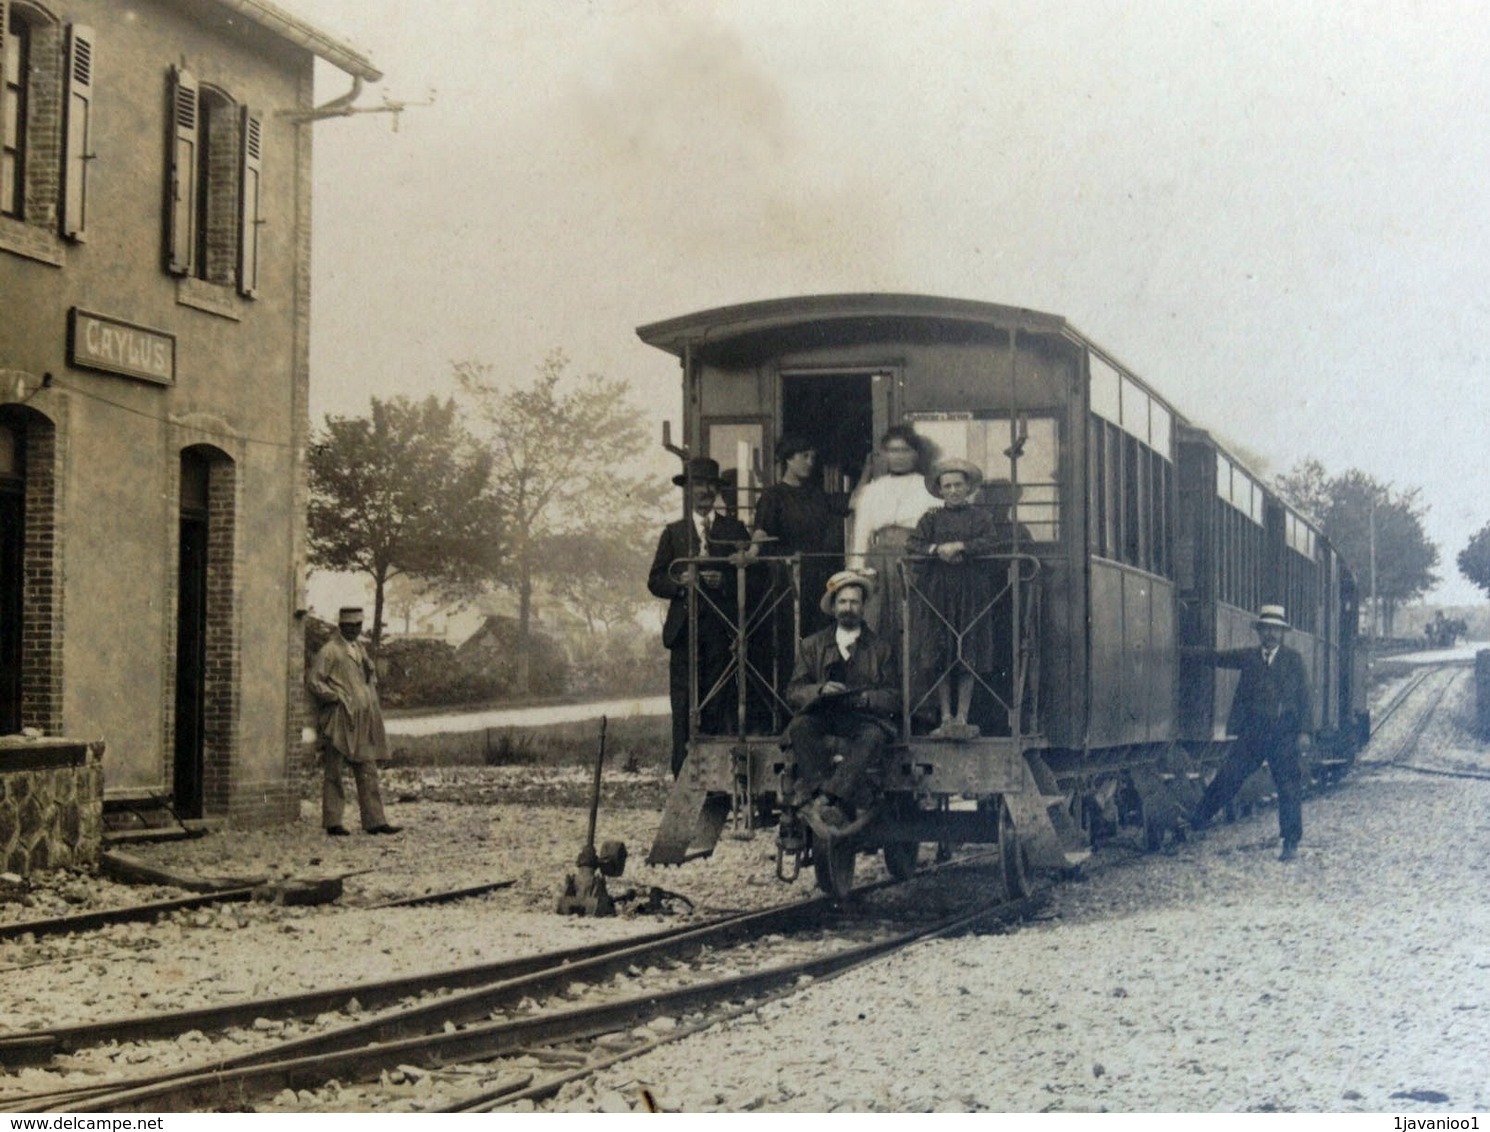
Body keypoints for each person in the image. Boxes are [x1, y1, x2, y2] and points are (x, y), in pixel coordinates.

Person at [648, 457, 755, 776]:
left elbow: (753, 578)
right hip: (684, 630)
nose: (704, 492)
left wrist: (727, 580)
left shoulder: (734, 530)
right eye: (697, 485)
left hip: (721, 629)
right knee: (683, 701)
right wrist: (682, 584)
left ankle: (715, 774)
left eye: (710, 485)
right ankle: (683, 774)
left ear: (717, 491)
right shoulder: (674, 532)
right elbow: (655, 579)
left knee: (718, 696)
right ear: (688, 491)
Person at [1185, 604, 1313, 861]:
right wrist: (1184, 653)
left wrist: (1304, 732)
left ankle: (1290, 842)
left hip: (1283, 734)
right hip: (1253, 732)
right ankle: (1198, 819)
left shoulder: (1293, 660)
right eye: (1266, 629)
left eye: (1276, 630)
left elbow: (1305, 699)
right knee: (1229, 776)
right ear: (1259, 632)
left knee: (1288, 786)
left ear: (1282, 633)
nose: (1271, 635)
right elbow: (1217, 658)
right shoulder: (1249, 657)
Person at [784, 570, 900, 832]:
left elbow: (894, 697)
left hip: (862, 718)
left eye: (854, 602)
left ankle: (825, 800)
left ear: (863, 607)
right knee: (800, 727)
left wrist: (866, 698)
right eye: (843, 602)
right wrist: (820, 690)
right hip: (824, 715)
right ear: (834, 607)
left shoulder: (881, 648)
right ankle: (827, 795)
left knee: (873, 736)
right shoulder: (812, 646)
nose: (849, 608)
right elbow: (793, 691)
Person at [908, 458, 1000, 738]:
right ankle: (945, 716)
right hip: (939, 593)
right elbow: (913, 544)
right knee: (940, 651)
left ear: (968, 487)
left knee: (967, 650)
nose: (953, 490)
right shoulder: (931, 518)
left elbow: (992, 542)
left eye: (958, 484)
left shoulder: (981, 518)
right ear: (940, 490)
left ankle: (963, 716)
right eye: (947, 486)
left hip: (971, 593)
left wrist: (962, 545)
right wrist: (937, 549)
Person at [306, 607, 402, 836]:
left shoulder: (360, 649)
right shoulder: (329, 651)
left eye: (357, 626)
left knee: (367, 768)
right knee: (335, 771)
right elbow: (314, 681)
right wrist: (336, 697)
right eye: (348, 626)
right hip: (339, 718)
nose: (353, 630)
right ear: (340, 626)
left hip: (363, 720)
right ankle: (333, 822)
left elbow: (368, 679)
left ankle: (375, 820)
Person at [847, 425, 941, 654]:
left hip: (914, 560)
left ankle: (913, 685)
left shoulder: (928, 488)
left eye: (904, 450)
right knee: (877, 620)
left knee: (913, 621)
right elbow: (861, 533)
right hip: (878, 563)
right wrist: (857, 570)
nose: (898, 456)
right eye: (892, 450)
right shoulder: (873, 490)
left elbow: (936, 529)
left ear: (915, 454)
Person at [753, 435, 842, 655]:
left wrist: (869, 469)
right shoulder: (773, 496)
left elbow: (851, 502)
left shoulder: (817, 495)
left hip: (818, 575)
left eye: (813, 457)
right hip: (787, 578)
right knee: (790, 636)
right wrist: (751, 551)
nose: (810, 462)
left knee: (820, 634)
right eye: (804, 456)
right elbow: (761, 531)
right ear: (788, 459)